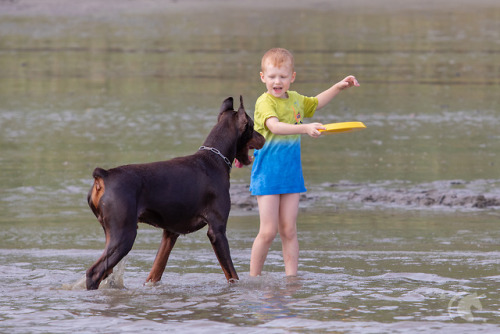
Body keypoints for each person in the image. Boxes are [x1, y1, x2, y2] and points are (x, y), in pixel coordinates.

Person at [249, 48, 359, 277]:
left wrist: (338, 87)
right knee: (268, 232)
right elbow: (275, 127)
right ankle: (253, 279)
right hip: (267, 174)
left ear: (292, 77)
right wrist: (305, 128)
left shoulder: (296, 100)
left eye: (282, 76)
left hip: (291, 175)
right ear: (263, 78)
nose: (277, 82)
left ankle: (291, 279)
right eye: (272, 77)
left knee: (289, 230)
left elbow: (316, 103)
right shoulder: (264, 102)